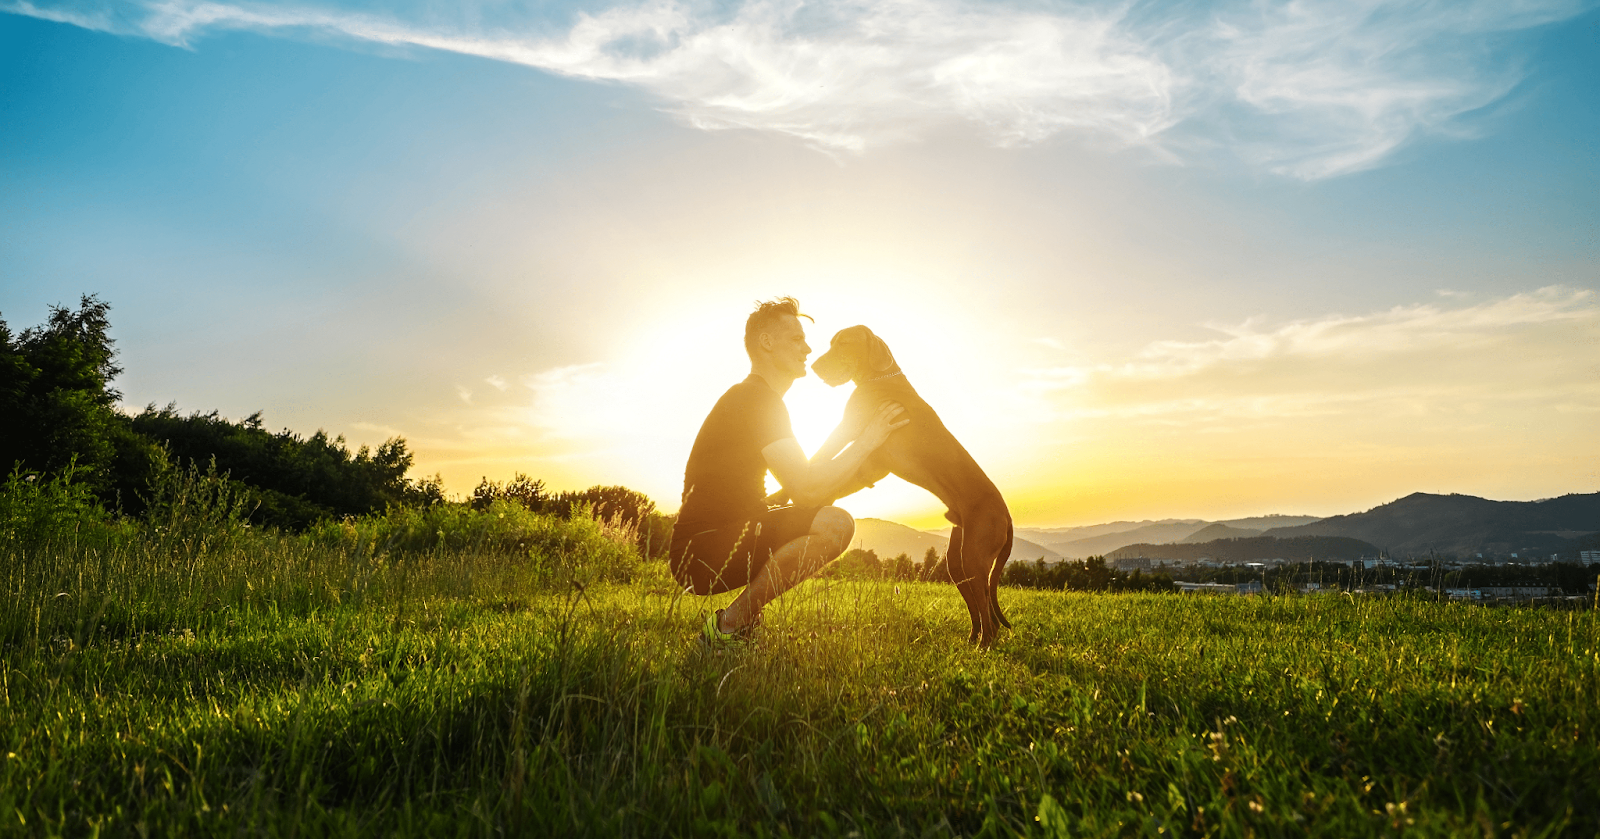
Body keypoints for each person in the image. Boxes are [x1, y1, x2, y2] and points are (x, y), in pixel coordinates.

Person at [671, 297, 908, 648]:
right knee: (836, 524)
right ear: (766, 343)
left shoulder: (758, 399)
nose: (808, 348)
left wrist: (861, 469)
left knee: (824, 516)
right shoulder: (756, 400)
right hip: (702, 550)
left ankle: (738, 623)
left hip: (718, 541)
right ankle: (727, 628)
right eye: (796, 339)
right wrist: (868, 440)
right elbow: (808, 490)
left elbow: (803, 485)